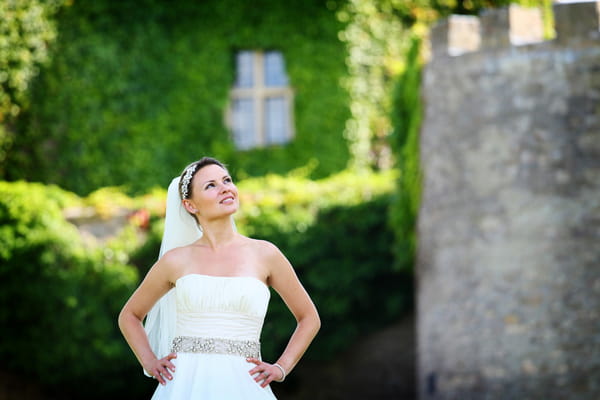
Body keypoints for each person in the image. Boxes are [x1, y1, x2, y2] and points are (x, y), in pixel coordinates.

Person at [118, 157, 321, 399]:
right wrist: (150, 362)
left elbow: (309, 318)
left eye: (227, 180)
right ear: (191, 205)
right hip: (184, 386)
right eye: (211, 185)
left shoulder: (266, 254)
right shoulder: (175, 261)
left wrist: (281, 367)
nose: (225, 187)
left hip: (245, 385)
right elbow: (129, 316)